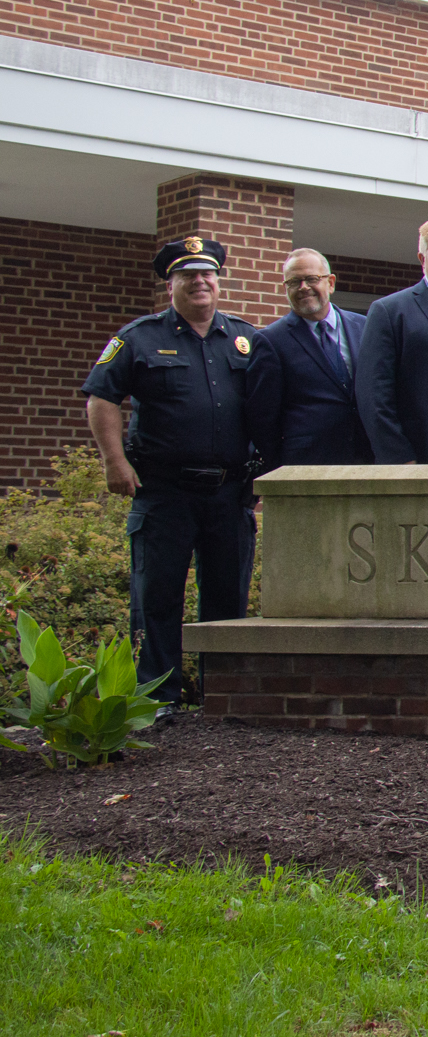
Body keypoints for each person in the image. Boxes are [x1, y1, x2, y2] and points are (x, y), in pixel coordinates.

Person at [80, 236, 259, 708]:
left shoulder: (245, 338)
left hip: (229, 493)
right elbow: (101, 399)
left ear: (218, 281)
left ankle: (221, 695)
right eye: (187, 275)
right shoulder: (138, 338)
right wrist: (114, 462)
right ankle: (158, 700)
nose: (199, 282)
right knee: (157, 598)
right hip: (164, 492)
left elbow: (268, 408)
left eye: (206, 274)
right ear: (171, 284)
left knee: (227, 601)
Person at [357, 217, 428, 464]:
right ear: (422, 259)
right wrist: (400, 459)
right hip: (418, 458)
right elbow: (373, 396)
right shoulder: (389, 312)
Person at [244, 248, 372, 469]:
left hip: (367, 460)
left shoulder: (365, 327)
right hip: (305, 466)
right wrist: (279, 467)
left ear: (330, 283)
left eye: (311, 279)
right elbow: (262, 417)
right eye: (294, 282)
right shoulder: (271, 340)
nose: (303, 288)